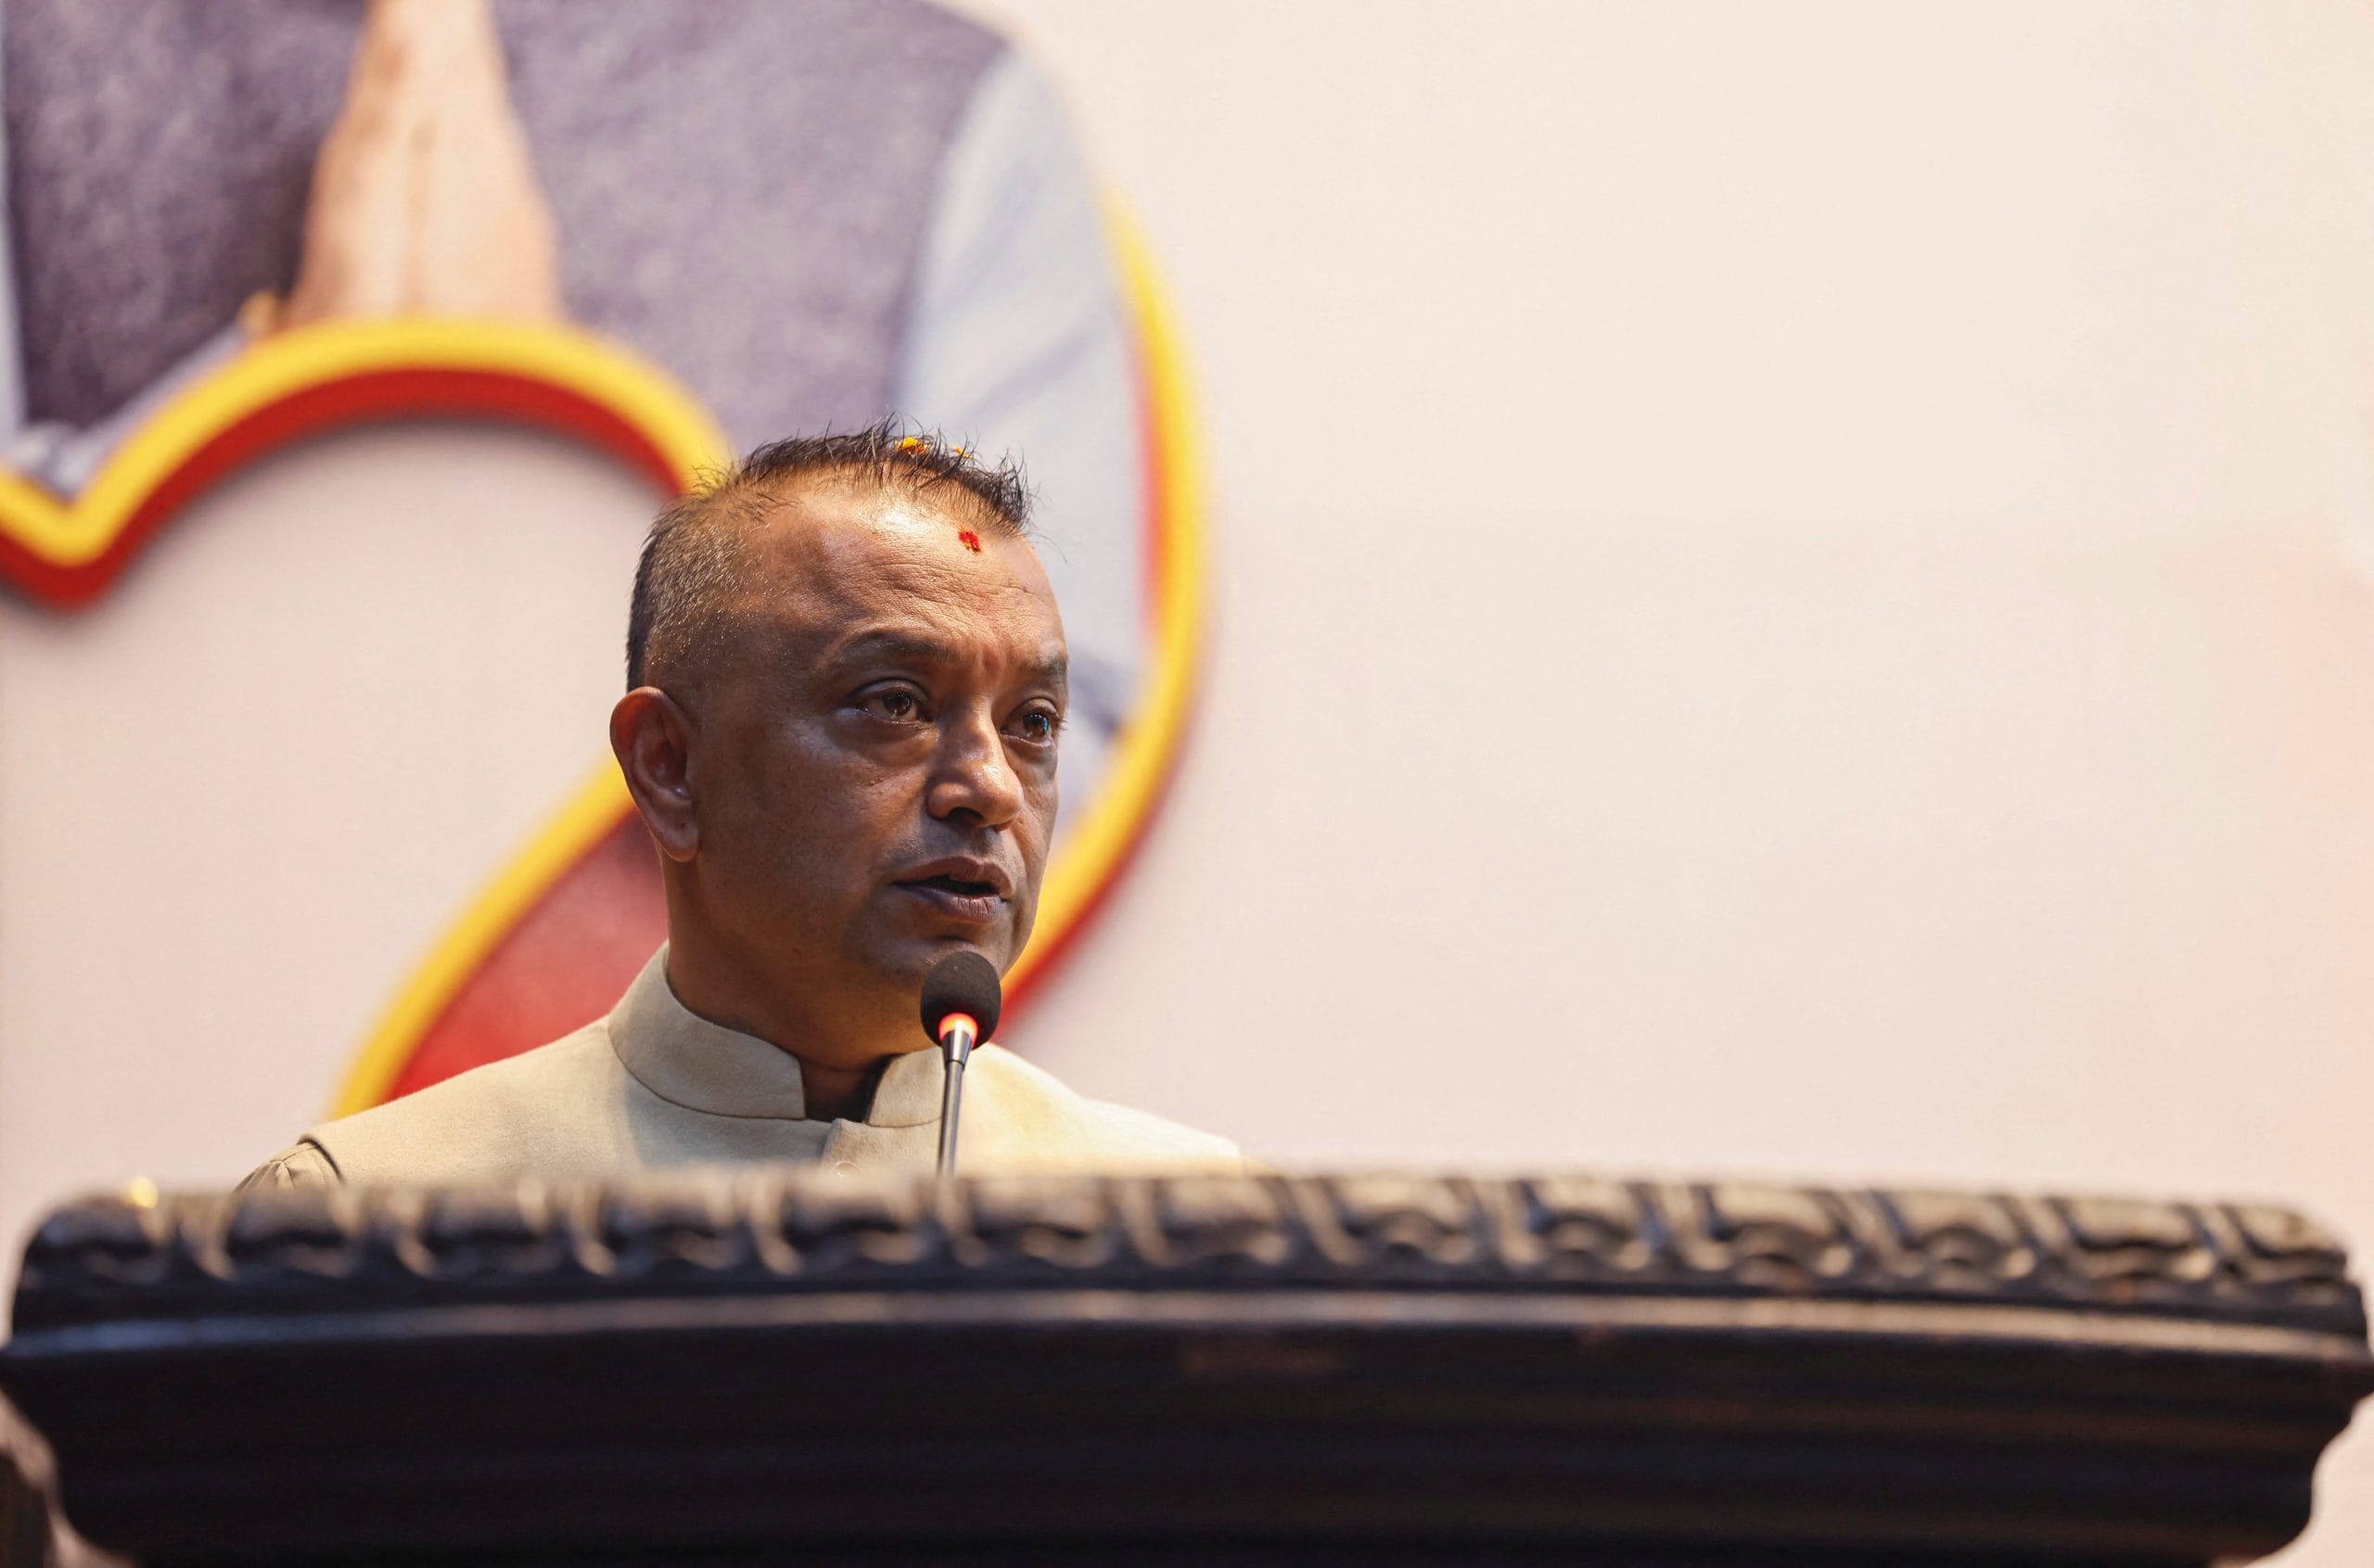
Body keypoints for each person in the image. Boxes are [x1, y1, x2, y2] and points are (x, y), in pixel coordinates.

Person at [243, 427, 1243, 1186]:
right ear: (671, 767)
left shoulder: (1186, 1227)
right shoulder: (374, 1216)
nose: (989, 785)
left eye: (1033, 722)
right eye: (895, 703)